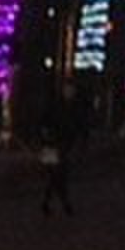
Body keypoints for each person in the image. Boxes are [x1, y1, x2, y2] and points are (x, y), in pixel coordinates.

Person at [38, 86, 86, 216]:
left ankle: (51, 203)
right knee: (55, 175)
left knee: (58, 175)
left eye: (71, 90)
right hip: (51, 143)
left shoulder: (73, 107)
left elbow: (77, 126)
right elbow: (44, 122)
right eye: (68, 90)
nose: (70, 93)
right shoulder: (56, 106)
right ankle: (63, 204)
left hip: (63, 144)